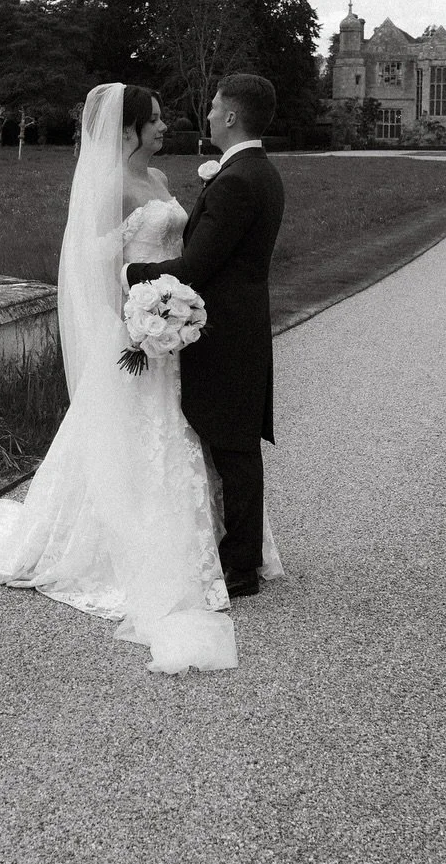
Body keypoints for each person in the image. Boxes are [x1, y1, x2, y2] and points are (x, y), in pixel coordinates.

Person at [0, 82, 280, 673]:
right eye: (158, 120)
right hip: (140, 331)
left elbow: (193, 251)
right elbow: (89, 259)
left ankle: (216, 548)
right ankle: (144, 550)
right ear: (128, 131)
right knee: (144, 436)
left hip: (170, 333)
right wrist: (138, 294)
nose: (166, 127)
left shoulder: (167, 183)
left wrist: (163, 300)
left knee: (186, 436)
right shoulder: (110, 187)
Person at [125, 73, 286, 599]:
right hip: (237, 327)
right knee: (231, 446)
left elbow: (195, 264)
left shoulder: (239, 180)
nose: (209, 113)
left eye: (215, 106)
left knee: (234, 448)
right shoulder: (254, 171)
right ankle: (242, 555)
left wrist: (129, 276)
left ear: (232, 117)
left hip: (228, 334)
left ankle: (240, 568)